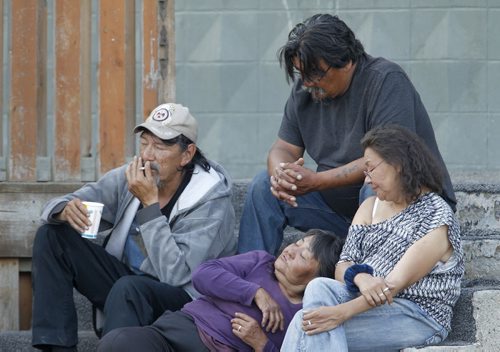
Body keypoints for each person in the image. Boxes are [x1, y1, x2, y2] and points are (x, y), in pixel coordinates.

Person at [237, 13, 456, 256]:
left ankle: (368, 277)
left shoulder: (385, 80)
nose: (308, 82)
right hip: (341, 217)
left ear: (347, 61)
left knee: (376, 180)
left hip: (411, 216)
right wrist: (282, 173)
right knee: (263, 185)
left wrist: (318, 181)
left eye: (316, 72)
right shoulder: (304, 90)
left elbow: (388, 160)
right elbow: (283, 148)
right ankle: (247, 281)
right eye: (302, 73)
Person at [31, 103, 237, 351]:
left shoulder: (210, 199)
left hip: (186, 304)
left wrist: (150, 205)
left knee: (129, 287)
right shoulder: (130, 176)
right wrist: (64, 209)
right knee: (52, 235)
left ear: (187, 154)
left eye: (159, 146)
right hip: (126, 289)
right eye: (144, 143)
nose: (148, 155)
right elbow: (56, 206)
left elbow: (178, 276)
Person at [280, 125, 464, 352]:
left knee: (305, 325)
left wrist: (339, 314)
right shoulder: (370, 207)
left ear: (397, 165)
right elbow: (342, 265)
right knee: (319, 287)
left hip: (417, 314)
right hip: (367, 301)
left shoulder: (436, 218)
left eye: (370, 169)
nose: (367, 180)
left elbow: (392, 286)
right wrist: (360, 278)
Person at [96, 229, 344, 352]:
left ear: (319, 274)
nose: (290, 250)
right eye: (295, 243)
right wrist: (255, 292)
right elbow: (204, 274)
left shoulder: (309, 311)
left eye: (303, 254)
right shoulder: (261, 261)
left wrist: (262, 343)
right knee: (118, 342)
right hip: (179, 330)